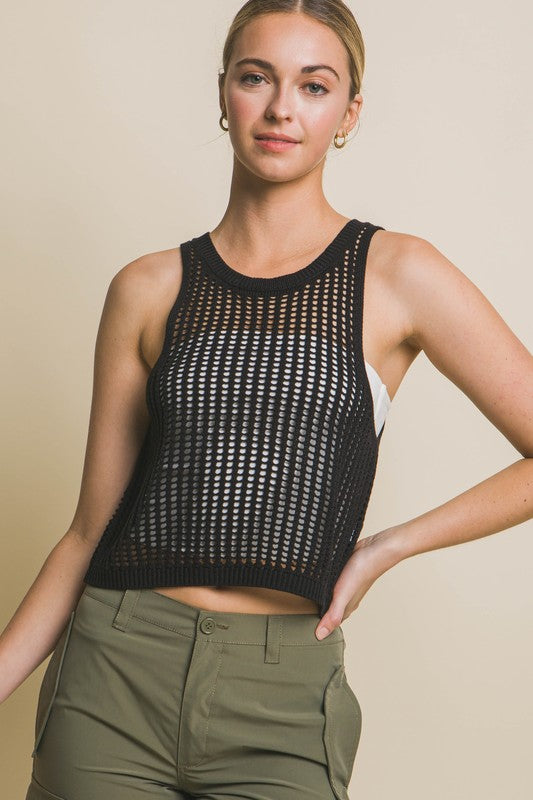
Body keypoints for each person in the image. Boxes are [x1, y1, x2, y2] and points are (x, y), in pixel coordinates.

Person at [2, 1, 531, 798]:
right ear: (224, 94)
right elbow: (87, 531)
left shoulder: (397, 274)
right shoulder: (147, 288)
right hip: (113, 670)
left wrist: (387, 547)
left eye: (314, 86)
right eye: (257, 78)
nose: (282, 107)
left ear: (348, 111)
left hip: (284, 693)